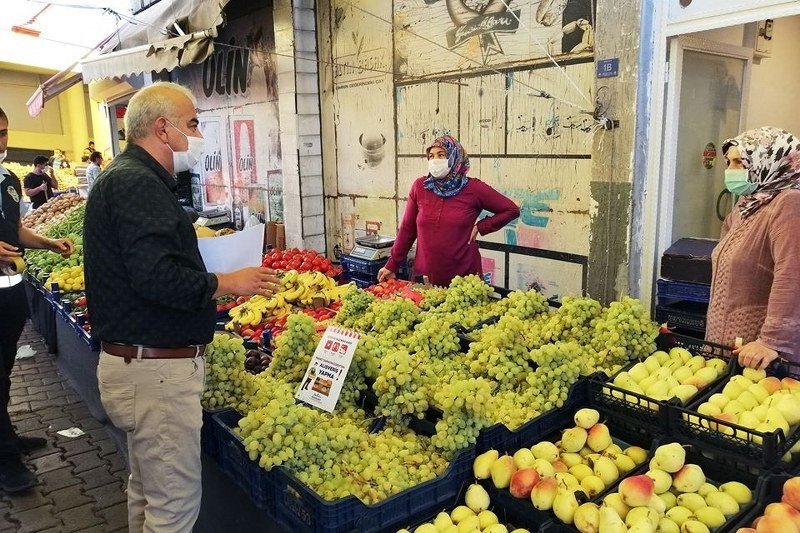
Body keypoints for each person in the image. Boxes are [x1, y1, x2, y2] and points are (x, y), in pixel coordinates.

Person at [83, 82, 281, 532]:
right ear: (162, 128)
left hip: (136, 364)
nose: (197, 134)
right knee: (172, 507)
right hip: (155, 374)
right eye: (192, 123)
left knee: (147, 491)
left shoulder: (125, 178)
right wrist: (227, 281)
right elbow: (156, 277)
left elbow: (147, 265)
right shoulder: (136, 184)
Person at [0, 106, 75, 492]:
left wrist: (48, 242)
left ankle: (8, 436)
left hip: (10, 291)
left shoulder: (8, 180)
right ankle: (6, 463)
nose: (0, 142)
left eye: (2, 132)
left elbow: (15, 230)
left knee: (6, 367)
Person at [705, 127, 800, 369]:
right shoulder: (744, 208)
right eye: (728, 163)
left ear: (769, 161)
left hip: (762, 356)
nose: (730, 171)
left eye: (739, 162)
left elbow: (792, 274)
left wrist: (770, 342)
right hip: (728, 346)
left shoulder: (789, 203)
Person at [378, 134, 520, 287]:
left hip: (463, 279)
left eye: (441, 155)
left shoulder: (473, 188)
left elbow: (511, 209)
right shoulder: (420, 187)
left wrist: (480, 226)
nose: (435, 161)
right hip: (425, 277)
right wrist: (392, 264)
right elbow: (407, 230)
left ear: (455, 157)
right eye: (431, 156)